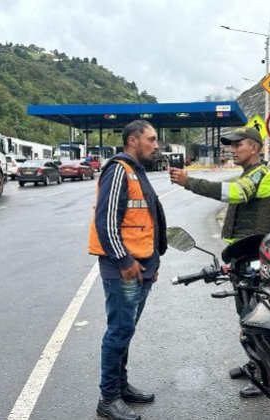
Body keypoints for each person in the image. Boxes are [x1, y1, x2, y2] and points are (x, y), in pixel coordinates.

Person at [168, 126, 270, 398]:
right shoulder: (249, 173)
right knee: (246, 315)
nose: (233, 149)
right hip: (242, 257)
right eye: (231, 145)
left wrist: (190, 181)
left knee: (258, 317)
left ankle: (268, 376)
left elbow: (235, 193)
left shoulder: (262, 175)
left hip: (255, 258)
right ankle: (255, 363)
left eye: (238, 144)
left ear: (254, 147)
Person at [88, 120, 167, 420]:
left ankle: (120, 387)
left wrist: (152, 264)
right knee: (119, 331)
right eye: (151, 139)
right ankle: (108, 399)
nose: (156, 145)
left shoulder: (137, 171)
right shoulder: (119, 170)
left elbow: (148, 221)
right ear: (133, 140)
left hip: (140, 267)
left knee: (126, 330)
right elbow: (106, 221)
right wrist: (124, 261)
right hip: (122, 268)